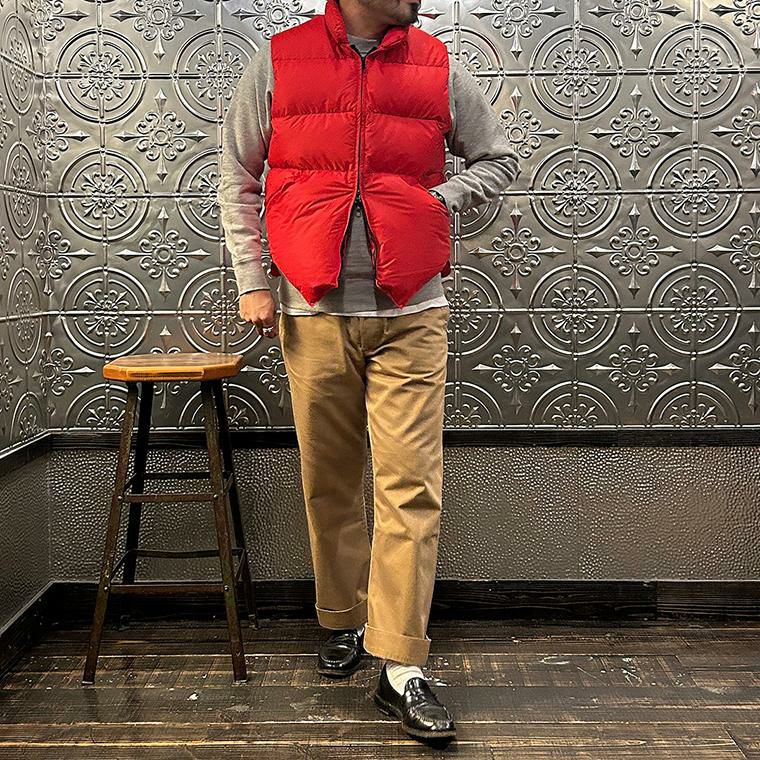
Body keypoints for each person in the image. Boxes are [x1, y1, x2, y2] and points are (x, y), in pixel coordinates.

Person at [218, 0, 520, 745]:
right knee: (329, 481)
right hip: (312, 309)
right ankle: (344, 617)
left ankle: (401, 662)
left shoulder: (436, 64)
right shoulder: (280, 60)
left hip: (413, 310)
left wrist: (435, 199)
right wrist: (253, 280)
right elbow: (238, 173)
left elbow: (498, 159)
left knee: (410, 485)